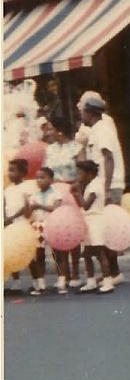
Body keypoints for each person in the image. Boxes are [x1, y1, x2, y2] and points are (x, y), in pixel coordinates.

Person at [79, 93, 125, 285]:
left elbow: (108, 158)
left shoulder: (103, 129)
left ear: (90, 113)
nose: (80, 115)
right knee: (102, 231)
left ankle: (114, 272)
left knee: (107, 230)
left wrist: (106, 190)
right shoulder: (95, 130)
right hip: (101, 185)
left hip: (109, 184)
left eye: (82, 111)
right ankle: (112, 272)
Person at [44, 115, 87, 287]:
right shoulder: (50, 149)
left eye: (51, 129)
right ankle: (62, 274)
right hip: (54, 193)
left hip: (71, 192)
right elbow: (46, 172)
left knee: (72, 231)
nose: (48, 132)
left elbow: (83, 172)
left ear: (59, 131)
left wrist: (74, 186)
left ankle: (75, 273)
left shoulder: (77, 148)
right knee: (55, 233)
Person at [71, 160, 111, 293]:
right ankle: (91, 281)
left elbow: (87, 205)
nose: (78, 176)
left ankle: (107, 281)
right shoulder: (89, 185)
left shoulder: (96, 185)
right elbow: (81, 205)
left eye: (80, 173)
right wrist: (76, 194)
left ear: (89, 174)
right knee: (87, 253)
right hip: (88, 221)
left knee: (100, 252)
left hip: (96, 220)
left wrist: (77, 193)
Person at [27, 167, 66, 295]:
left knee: (57, 254)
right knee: (39, 255)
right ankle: (41, 282)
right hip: (38, 226)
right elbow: (29, 213)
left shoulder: (56, 193)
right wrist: (27, 204)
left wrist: (38, 206)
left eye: (43, 177)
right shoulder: (34, 195)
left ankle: (61, 281)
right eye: (37, 178)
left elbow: (55, 208)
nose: (39, 180)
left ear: (51, 179)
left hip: (53, 224)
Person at [4, 158, 35, 296]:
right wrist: (5, 218)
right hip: (10, 225)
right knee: (12, 253)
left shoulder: (28, 186)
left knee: (29, 254)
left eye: (13, 170)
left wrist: (11, 218)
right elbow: (5, 205)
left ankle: (37, 282)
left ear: (22, 172)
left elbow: (26, 207)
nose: (10, 173)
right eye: (9, 170)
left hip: (23, 224)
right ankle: (15, 283)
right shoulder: (8, 189)